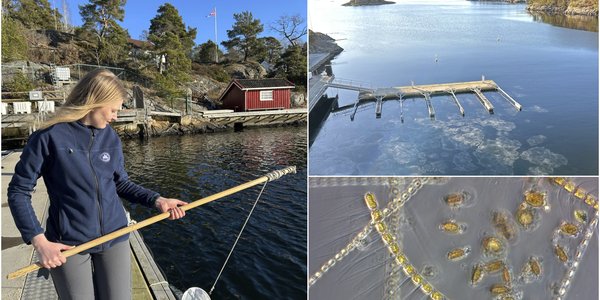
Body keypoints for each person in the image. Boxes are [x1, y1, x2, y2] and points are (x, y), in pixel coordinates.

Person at [8, 69, 188, 300]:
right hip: (69, 243)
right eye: (113, 110)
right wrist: (39, 241)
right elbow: (19, 192)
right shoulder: (48, 136)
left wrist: (158, 200)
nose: (115, 116)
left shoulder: (110, 137)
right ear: (94, 102)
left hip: (115, 235)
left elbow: (121, 184)